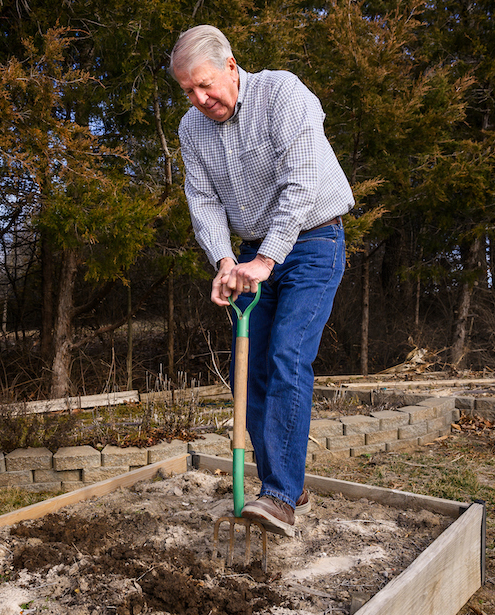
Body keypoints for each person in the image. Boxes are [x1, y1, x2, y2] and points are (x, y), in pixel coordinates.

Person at [170, 25, 353, 535]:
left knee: (288, 356)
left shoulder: (283, 93)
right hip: (252, 254)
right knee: (250, 373)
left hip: (314, 241)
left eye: (205, 84)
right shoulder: (192, 128)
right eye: (189, 91)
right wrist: (226, 261)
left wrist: (268, 259)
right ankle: (288, 486)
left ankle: (277, 497)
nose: (200, 99)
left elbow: (303, 179)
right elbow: (203, 201)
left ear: (231, 65)